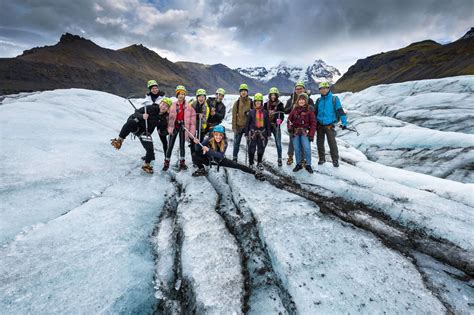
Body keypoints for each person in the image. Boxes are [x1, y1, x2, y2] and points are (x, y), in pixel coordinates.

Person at [111, 93, 173, 174]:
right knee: (130, 122)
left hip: (145, 133)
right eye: (163, 104)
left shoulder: (163, 118)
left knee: (150, 150)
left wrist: (168, 131)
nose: (163, 107)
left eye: (166, 106)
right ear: (160, 103)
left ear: (168, 109)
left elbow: (162, 131)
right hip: (137, 127)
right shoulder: (151, 108)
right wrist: (142, 116)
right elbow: (136, 113)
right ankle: (119, 141)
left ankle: (146, 165)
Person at [191, 125, 265, 181]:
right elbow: (197, 149)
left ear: (223, 135)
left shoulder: (225, 142)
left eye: (220, 135)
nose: (218, 137)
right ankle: (201, 169)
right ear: (213, 134)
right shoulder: (209, 139)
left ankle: (255, 173)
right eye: (216, 134)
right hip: (209, 159)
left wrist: (209, 150)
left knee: (237, 165)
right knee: (195, 154)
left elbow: (220, 155)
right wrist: (197, 143)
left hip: (220, 160)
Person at [315, 82, 348, 167]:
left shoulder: (334, 99)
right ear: (320, 90)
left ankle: (335, 160)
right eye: (321, 88)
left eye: (325, 88)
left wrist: (344, 122)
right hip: (319, 125)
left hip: (329, 125)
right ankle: (322, 159)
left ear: (329, 89)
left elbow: (340, 111)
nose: (324, 90)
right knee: (319, 143)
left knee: (332, 143)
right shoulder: (319, 100)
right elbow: (314, 112)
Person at [163, 85, 196, 171]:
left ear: (185, 95)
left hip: (182, 127)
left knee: (182, 146)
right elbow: (168, 116)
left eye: (183, 94)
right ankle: (166, 162)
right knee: (170, 145)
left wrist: (190, 132)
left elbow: (192, 119)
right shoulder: (172, 105)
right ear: (177, 95)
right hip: (174, 127)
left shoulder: (188, 106)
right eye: (179, 94)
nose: (181, 95)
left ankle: (182, 162)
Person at [284, 81, 315, 165]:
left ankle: (303, 159)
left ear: (304, 89)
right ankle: (290, 156)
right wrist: (291, 108)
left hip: (305, 126)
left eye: (300, 88)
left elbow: (313, 110)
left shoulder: (309, 99)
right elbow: (285, 110)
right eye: (297, 89)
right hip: (294, 125)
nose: (298, 90)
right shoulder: (291, 99)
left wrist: (310, 108)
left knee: (303, 143)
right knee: (292, 142)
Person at [287, 93, 316, 173]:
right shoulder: (294, 110)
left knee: (307, 148)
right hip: (295, 132)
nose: (301, 101)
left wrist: (311, 134)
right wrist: (290, 128)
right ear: (298, 101)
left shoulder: (309, 111)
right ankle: (298, 164)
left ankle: (308, 165)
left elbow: (313, 123)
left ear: (306, 101)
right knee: (297, 149)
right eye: (300, 99)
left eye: (303, 100)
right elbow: (289, 121)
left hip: (305, 132)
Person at [246, 93, 271, 170]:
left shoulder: (265, 112)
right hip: (252, 133)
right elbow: (248, 123)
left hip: (262, 133)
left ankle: (259, 162)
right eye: (256, 101)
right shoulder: (251, 112)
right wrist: (246, 133)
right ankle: (251, 163)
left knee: (261, 148)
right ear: (254, 102)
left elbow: (267, 123)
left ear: (261, 102)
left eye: (259, 101)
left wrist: (269, 133)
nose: (258, 103)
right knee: (251, 148)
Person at [232, 83, 254, 162]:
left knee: (250, 144)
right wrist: (234, 127)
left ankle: (251, 160)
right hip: (239, 126)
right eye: (242, 91)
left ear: (247, 92)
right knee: (236, 143)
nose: (243, 92)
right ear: (240, 92)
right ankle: (234, 158)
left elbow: (254, 114)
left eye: (245, 91)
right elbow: (234, 115)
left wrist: (250, 113)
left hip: (248, 127)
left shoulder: (251, 102)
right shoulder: (237, 103)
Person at [263, 87, 285, 166]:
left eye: (274, 95)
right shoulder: (265, 105)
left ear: (277, 95)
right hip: (267, 126)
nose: (273, 96)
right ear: (269, 96)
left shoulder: (280, 104)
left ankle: (279, 159)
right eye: (271, 95)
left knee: (278, 143)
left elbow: (282, 115)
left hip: (276, 126)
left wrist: (280, 120)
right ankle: (261, 156)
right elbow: (263, 115)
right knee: (264, 143)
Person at [189, 89, 210, 158]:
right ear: (197, 97)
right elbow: (189, 115)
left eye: (203, 97)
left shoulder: (206, 107)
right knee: (192, 142)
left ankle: (198, 156)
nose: (201, 98)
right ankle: (193, 157)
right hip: (193, 125)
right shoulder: (192, 105)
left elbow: (205, 120)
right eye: (199, 97)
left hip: (201, 126)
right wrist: (197, 115)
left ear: (205, 98)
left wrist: (202, 116)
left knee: (199, 142)